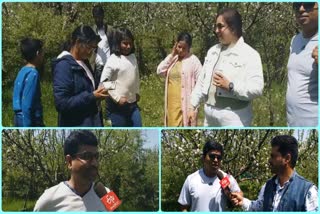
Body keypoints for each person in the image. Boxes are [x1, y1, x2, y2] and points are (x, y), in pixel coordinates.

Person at [188, 8, 264, 127]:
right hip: (209, 115)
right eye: (215, 26)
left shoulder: (250, 54)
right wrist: (192, 106)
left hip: (234, 117)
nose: (216, 30)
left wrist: (231, 86)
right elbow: (202, 81)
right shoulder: (213, 51)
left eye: (220, 26)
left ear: (233, 28)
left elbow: (257, 88)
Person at [231, 135, 318, 211]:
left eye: (273, 156)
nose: (269, 160)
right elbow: (259, 208)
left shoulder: (308, 191)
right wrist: (242, 201)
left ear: (287, 158)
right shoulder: (268, 186)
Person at [34, 130, 111, 211]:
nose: (94, 163)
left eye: (96, 156)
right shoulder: (48, 200)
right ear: (69, 161)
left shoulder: (107, 194)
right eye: (87, 156)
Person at [52, 25, 109, 127]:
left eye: (93, 48)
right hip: (77, 123)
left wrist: (99, 92)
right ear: (78, 42)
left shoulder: (84, 62)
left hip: (91, 120)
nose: (90, 52)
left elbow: (88, 88)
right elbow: (61, 103)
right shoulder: (64, 66)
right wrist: (92, 96)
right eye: (88, 47)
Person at [178, 141, 241, 211]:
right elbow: (183, 206)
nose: (216, 160)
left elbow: (239, 195)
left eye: (219, 157)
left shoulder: (226, 178)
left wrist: (236, 199)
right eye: (212, 156)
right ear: (203, 158)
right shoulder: (191, 179)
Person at [157, 32, 202, 127]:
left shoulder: (194, 61)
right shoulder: (173, 59)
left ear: (189, 47)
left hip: (186, 105)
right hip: (171, 105)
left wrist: (194, 107)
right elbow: (160, 71)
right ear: (175, 45)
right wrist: (172, 54)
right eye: (179, 47)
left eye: (184, 48)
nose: (181, 50)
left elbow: (201, 83)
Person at [100, 28, 142, 127]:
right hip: (117, 107)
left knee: (138, 126)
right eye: (125, 43)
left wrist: (137, 92)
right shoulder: (113, 59)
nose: (128, 47)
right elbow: (105, 81)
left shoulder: (133, 57)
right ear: (118, 43)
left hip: (133, 104)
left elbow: (136, 76)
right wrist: (117, 98)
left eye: (130, 44)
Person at [286, 2, 318, 127]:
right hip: (292, 122)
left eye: (308, 4)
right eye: (297, 4)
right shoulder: (295, 40)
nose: (301, 9)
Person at [12, 38, 45, 127]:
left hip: (18, 118)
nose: (43, 55)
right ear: (38, 53)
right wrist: (27, 126)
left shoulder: (22, 71)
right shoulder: (33, 73)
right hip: (29, 119)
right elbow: (27, 103)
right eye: (42, 52)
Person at [91, 5, 113, 84]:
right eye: (96, 17)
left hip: (109, 65)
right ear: (93, 17)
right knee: (98, 90)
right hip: (97, 66)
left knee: (109, 91)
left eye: (100, 17)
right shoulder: (91, 31)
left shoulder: (110, 30)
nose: (98, 19)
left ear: (103, 16)